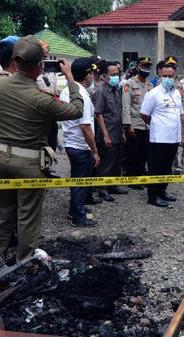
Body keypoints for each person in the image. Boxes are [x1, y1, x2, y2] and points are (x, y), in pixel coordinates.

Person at [0, 36, 83, 261]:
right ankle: (24, 261)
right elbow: (76, 110)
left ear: (14, 60)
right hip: (29, 162)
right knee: (27, 215)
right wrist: (70, 79)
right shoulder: (41, 98)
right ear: (40, 65)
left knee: (1, 212)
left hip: (0, 157)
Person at [140, 58, 184, 208]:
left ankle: (162, 190)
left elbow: (180, 114)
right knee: (156, 168)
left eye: (170, 76)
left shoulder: (177, 93)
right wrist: (156, 124)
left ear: (175, 76)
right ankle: (153, 195)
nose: (167, 79)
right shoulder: (153, 93)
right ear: (159, 75)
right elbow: (144, 114)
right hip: (158, 138)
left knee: (167, 167)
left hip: (173, 138)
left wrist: (181, 136)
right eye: (164, 76)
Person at [61, 57, 100, 227]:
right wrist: (95, 151)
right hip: (80, 144)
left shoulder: (68, 89)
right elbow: (85, 126)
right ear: (88, 75)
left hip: (72, 142)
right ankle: (79, 217)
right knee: (81, 181)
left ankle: (75, 209)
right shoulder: (81, 94)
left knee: (77, 178)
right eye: (92, 74)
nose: (93, 77)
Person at [94, 61, 127, 201]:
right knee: (106, 162)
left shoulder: (116, 90)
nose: (116, 76)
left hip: (118, 133)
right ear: (104, 76)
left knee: (117, 161)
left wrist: (123, 133)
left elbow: (118, 113)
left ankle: (113, 185)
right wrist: (106, 135)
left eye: (117, 74)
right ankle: (102, 188)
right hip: (107, 134)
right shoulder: (101, 91)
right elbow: (98, 114)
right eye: (112, 74)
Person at [122, 56, 153, 189]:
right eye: (143, 66)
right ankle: (132, 179)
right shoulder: (129, 84)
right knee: (133, 153)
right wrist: (128, 125)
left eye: (148, 67)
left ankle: (140, 176)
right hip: (134, 124)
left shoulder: (149, 85)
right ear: (137, 67)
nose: (145, 69)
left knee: (143, 153)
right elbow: (126, 106)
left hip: (147, 125)